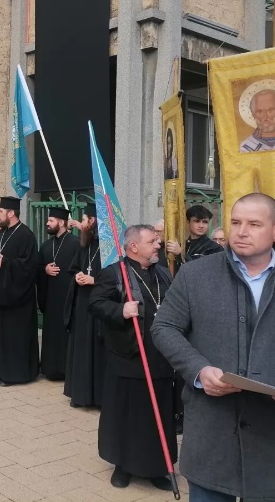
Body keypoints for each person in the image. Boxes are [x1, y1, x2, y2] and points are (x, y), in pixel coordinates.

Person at [152, 193, 275, 501]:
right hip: (211, 434)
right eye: (235, 222)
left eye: (254, 224)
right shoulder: (196, 275)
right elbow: (164, 327)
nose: (241, 231)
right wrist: (198, 370)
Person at [88, 225, 176, 492]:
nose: (158, 245)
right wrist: (120, 309)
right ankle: (123, 465)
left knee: (157, 413)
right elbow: (95, 304)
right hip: (129, 356)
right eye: (152, 241)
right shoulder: (114, 273)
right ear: (134, 247)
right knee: (126, 414)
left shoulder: (162, 272)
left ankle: (157, 467)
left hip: (160, 356)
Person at [0, 196, 39, 386]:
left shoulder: (26, 236)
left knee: (14, 337)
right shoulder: (1, 234)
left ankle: (13, 374)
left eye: (1, 212)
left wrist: (6, 263)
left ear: (11, 213)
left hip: (18, 299)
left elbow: (30, 266)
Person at [64, 203, 104, 407]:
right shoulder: (84, 244)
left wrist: (94, 280)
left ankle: (96, 397)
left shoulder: (107, 246)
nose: (82, 222)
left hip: (99, 305)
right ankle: (79, 394)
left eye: (85, 219)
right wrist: (78, 275)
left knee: (96, 350)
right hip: (82, 304)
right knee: (81, 348)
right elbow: (75, 268)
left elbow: (116, 277)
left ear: (93, 221)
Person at [37, 207, 80, 380]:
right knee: (51, 334)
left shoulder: (76, 243)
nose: (47, 223)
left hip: (67, 298)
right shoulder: (46, 245)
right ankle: (49, 368)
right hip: (50, 297)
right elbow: (37, 268)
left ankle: (65, 369)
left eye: (51, 221)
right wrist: (44, 270)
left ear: (61, 222)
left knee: (65, 334)